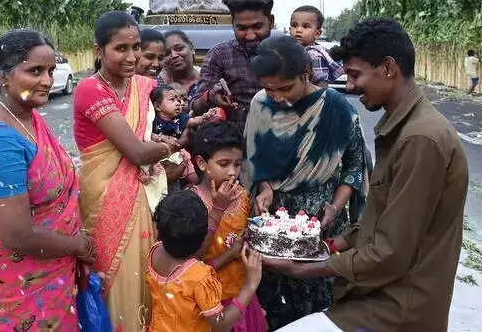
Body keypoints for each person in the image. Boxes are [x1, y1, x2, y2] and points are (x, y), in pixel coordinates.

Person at [263, 19, 469, 332]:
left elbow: (390, 253)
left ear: (388, 68)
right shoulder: (404, 128)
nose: (349, 86)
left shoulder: (420, 139)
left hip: (397, 308)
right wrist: (329, 245)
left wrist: (303, 268)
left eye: (356, 75)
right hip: (377, 294)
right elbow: (381, 219)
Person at [0, 29, 93, 331]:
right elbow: (17, 236)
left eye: (50, 70)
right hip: (19, 288)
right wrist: (77, 246)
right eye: (34, 71)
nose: (47, 80)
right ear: (3, 76)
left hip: (50, 272)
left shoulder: (27, 117)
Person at [243, 36, 370, 329]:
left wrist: (336, 208)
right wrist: (264, 188)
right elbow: (254, 161)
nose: (276, 96)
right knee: (270, 299)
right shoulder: (261, 104)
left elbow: (354, 165)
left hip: (321, 222)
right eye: (268, 88)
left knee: (317, 303)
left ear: (305, 74)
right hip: (272, 222)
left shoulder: (336, 109)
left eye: (285, 88)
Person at [74, 11, 181, 332]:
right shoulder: (90, 89)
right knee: (110, 276)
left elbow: (171, 110)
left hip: (142, 195)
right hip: (105, 198)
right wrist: (172, 146)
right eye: (121, 49)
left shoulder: (145, 86)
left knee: (141, 273)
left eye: (136, 48)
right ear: (99, 51)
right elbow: (135, 151)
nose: (132, 57)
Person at [147, 190, 263, 332]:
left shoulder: (155, 252)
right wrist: (250, 285)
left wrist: (230, 253)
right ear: (202, 240)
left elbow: (188, 266)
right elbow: (221, 325)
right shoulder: (200, 277)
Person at [191, 121, 267, 331]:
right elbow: (191, 261)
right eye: (224, 164)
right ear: (202, 163)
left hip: (242, 293)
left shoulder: (241, 195)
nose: (233, 172)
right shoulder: (192, 204)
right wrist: (230, 254)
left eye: (237, 164)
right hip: (211, 303)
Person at [191, 0, 275, 131]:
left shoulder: (286, 53)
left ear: (271, 21)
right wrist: (210, 97)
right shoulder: (219, 55)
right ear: (232, 23)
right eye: (242, 28)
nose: (250, 36)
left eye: (257, 27)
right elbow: (196, 107)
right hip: (234, 144)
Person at [288, 6, 345, 88]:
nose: (298, 30)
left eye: (305, 26)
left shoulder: (314, 55)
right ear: (289, 30)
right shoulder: (289, 51)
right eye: (294, 25)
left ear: (317, 34)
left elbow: (321, 86)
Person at [158, 30, 201, 103]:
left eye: (179, 49)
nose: (174, 55)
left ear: (191, 47)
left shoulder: (207, 78)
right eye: (167, 53)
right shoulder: (157, 84)